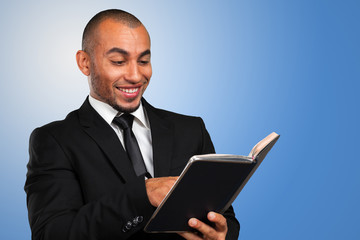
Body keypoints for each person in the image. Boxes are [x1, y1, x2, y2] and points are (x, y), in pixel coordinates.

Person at [24, 9, 240, 240]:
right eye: (119, 61)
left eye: (144, 60)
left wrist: (222, 234)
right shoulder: (55, 140)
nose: (136, 76)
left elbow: (225, 217)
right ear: (85, 63)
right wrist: (143, 194)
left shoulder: (191, 130)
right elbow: (52, 234)